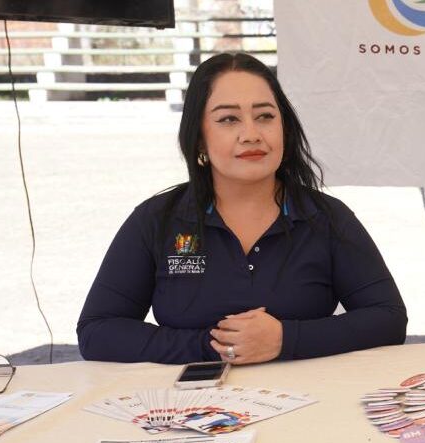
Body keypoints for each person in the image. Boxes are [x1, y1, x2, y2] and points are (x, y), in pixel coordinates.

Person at [77, 53, 406, 365]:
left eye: (265, 116)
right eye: (228, 119)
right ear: (199, 140)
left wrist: (286, 339)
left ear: (285, 130)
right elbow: (98, 331)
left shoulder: (328, 218)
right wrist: (215, 346)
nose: (251, 134)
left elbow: (388, 319)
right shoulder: (157, 220)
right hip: (192, 407)